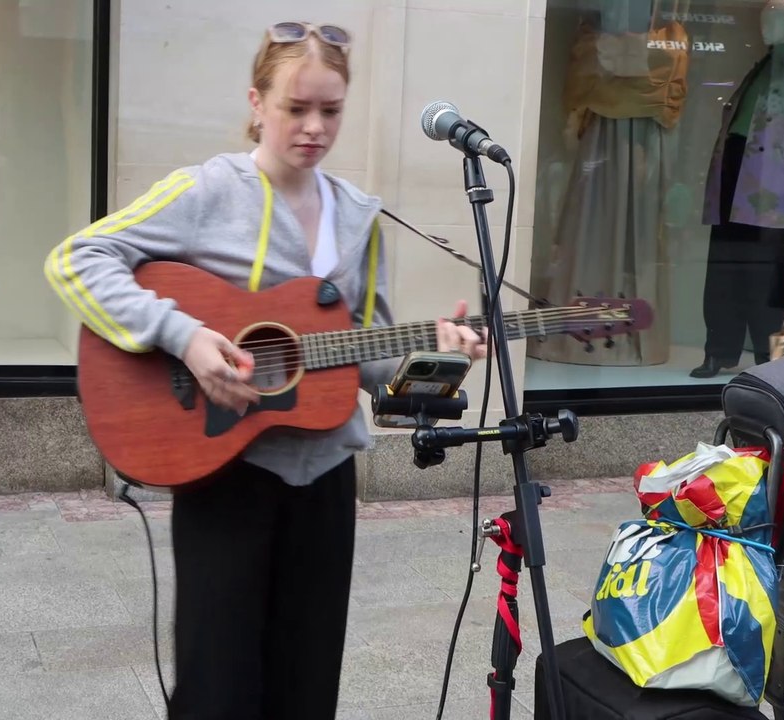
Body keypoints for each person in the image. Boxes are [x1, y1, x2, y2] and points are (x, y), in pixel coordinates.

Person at [44, 21, 487, 719]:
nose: (314, 127)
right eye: (295, 108)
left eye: (331, 111)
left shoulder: (359, 219)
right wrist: (186, 336)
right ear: (257, 102)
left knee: (305, 685)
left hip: (325, 481)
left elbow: (365, 356)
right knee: (216, 688)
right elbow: (75, 260)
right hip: (225, 471)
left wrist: (432, 357)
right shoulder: (206, 192)